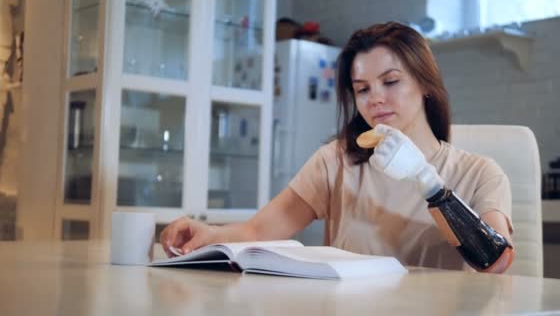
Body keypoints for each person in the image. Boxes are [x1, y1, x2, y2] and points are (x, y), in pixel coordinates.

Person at [160, 22, 514, 272]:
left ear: (425, 84)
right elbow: (257, 231)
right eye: (362, 89)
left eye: (390, 81)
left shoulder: (481, 173)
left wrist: (427, 180)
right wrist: (210, 235)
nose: (375, 98)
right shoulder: (336, 161)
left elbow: (495, 261)